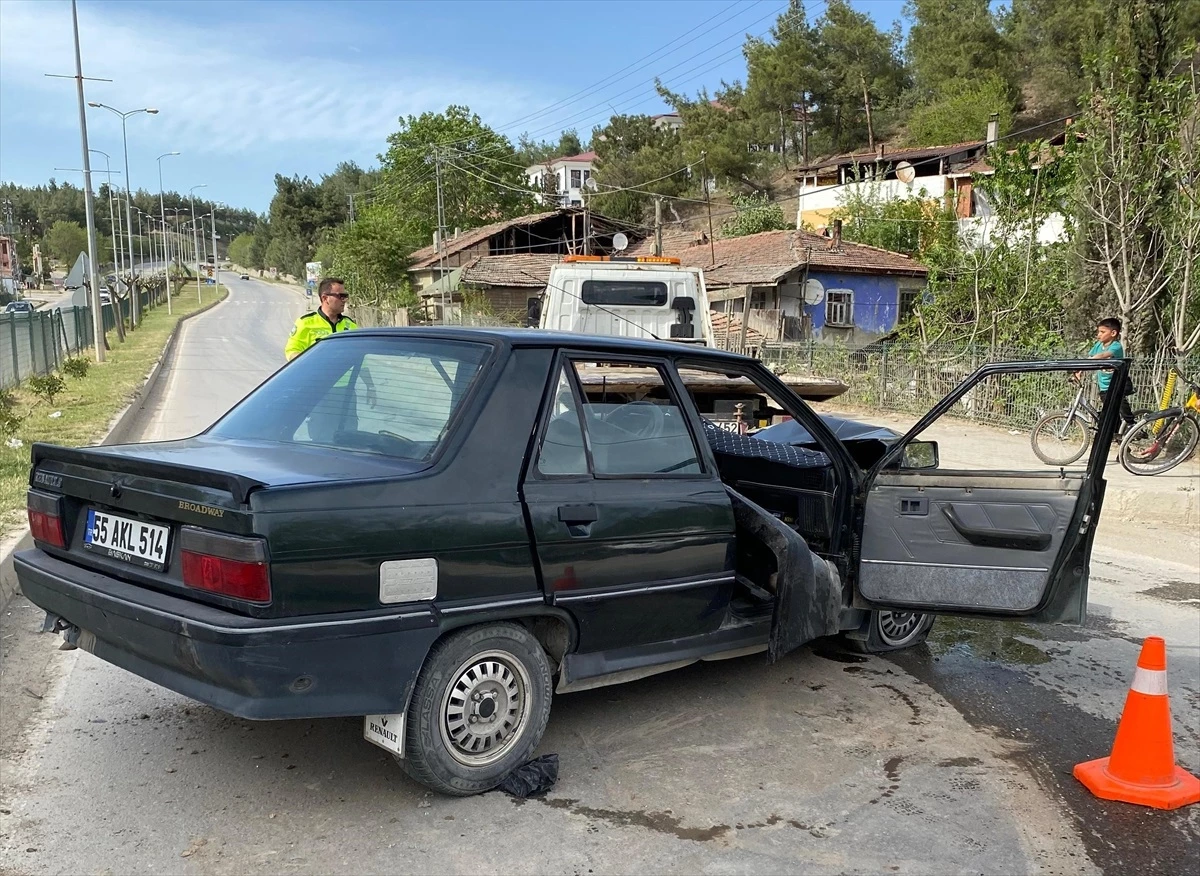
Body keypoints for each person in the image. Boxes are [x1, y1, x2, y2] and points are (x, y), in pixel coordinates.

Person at [1080, 317, 1134, 435]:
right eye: (1098, 332)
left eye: (1102, 332)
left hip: (1119, 384)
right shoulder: (1098, 345)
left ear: (1113, 333)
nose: (1099, 335)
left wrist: (1088, 362)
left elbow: (1104, 355)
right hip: (1104, 387)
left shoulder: (1116, 346)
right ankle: (1118, 436)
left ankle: (1131, 424)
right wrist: (1080, 369)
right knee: (1111, 416)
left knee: (1119, 402)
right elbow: (1090, 360)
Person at [284, 277, 358, 360]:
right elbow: (292, 351)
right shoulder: (305, 323)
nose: (344, 300)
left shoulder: (351, 326)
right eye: (341, 296)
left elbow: (359, 355)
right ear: (325, 298)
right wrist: (313, 362)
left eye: (345, 296)